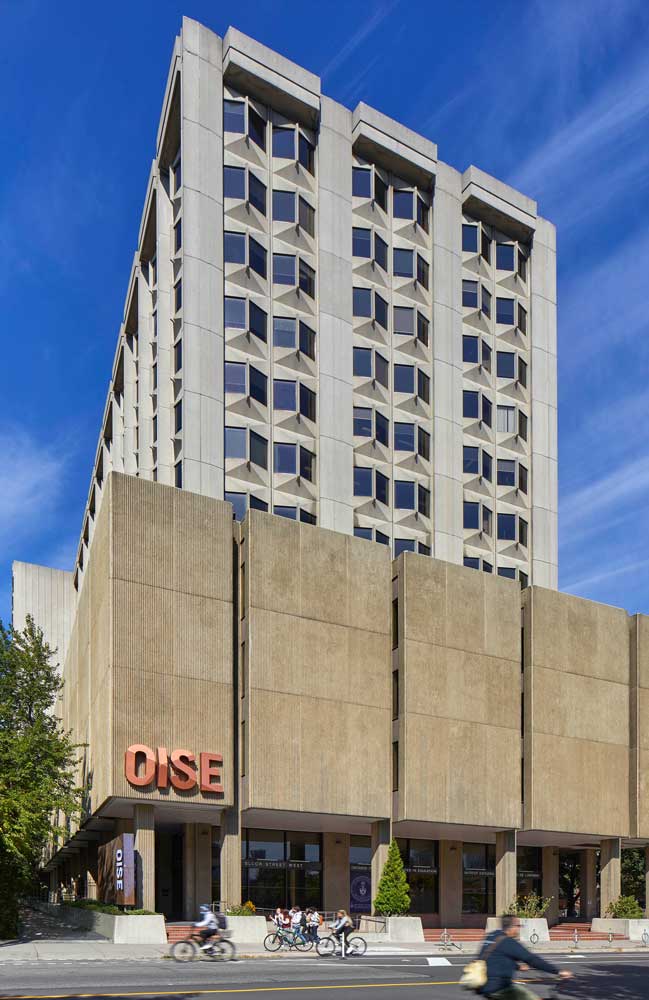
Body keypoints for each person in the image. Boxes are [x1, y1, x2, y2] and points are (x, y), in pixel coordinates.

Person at [478, 915, 572, 998]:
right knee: (529, 997)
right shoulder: (508, 942)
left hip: (483, 985)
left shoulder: (492, 936)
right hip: (499, 987)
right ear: (511, 927)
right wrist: (558, 971)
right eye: (518, 926)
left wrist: (518, 966)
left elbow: (497, 958)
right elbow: (532, 959)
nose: (519, 929)